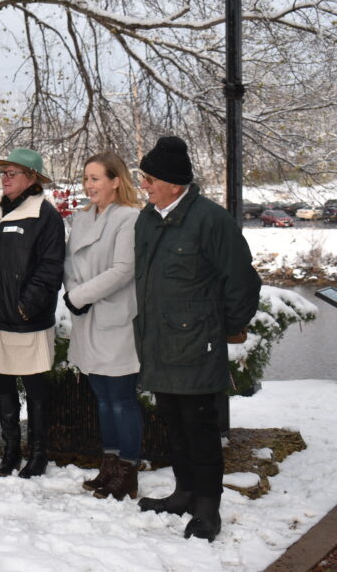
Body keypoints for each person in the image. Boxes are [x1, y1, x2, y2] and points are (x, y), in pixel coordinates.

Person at [132, 136, 260, 542]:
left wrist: (224, 328)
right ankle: (184, 493)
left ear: (173, 183)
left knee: (201, 430)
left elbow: (242, 281)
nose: (144, 185)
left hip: (197, 348)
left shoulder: (210, 219)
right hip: (159, 345)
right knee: (173, 424)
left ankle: (208, 508)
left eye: (149, 178)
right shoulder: (147, 219)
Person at [0, 148, 65, 479]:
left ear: (32, 178)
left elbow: (50, 269)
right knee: (3, 386)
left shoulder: (46, 216)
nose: (5, 179)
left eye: (12, 173)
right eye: (3, 173)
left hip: (27, 319)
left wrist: (26, 305)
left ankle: (39, 453)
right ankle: (11, 450)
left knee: (35, 388)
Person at [63, 151, 143, 500]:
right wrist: (73, 296)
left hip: (115, 319)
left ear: (115, 181)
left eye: (95, 178)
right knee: (103, 400)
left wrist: (81, 296)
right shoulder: (81, 220)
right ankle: (109, 466)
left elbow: (124, 269)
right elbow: (68, 265)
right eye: (85, 178)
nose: (88, 184)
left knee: (122, 400)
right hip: (86, 318)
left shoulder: (129, 218)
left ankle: (128, 469)